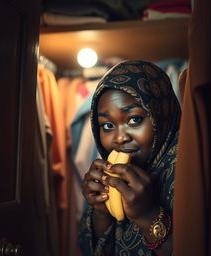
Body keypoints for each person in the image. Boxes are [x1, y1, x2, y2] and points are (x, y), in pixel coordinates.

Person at [79, 60, 181, 255]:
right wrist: (101, 212)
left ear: (161, 114)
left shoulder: (188, 172)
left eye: (134, 120)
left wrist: (148, 216)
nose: (119, 138)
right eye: (107, 125)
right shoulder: (107, 178)